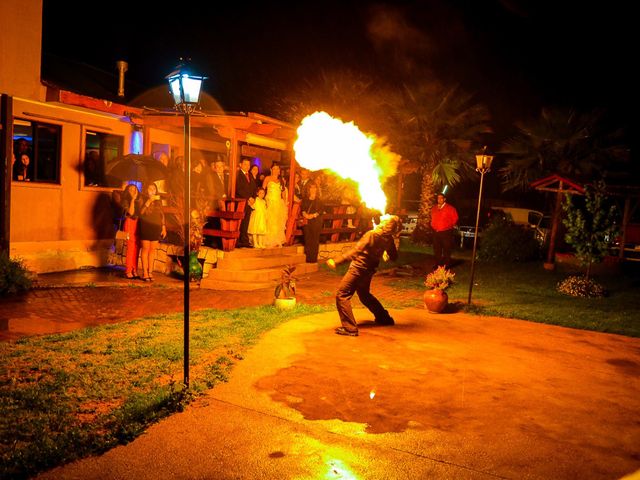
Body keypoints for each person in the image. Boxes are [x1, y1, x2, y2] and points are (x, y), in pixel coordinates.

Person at [326, 215, 402, 336]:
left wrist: (337, 261)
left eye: (387, 216)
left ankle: (350, 328)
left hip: (358, 268)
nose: (385, 214)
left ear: (385, 223)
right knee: (365, 295)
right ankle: (384, 318)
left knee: (342, 295)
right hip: (369, 269)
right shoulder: (388, 238)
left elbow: (356, 250)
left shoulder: (372, 234)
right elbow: (394, 256)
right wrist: (386, 253)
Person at [138, 182, 167, 282]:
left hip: (156, 227)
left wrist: (163, 227)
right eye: (150, 189)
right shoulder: (142, 199)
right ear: (146, 190)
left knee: (152, 250)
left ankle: (150, 272)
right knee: (145, 249)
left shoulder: (158, 201)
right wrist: (149, 201)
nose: (152, 191)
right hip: (145, 226)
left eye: (154, 189)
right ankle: (145, 272)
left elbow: (161, 214)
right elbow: (141, 213)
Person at [262, 163, 288, 248]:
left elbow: (283, 192)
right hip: (269, 201)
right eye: (274, 168)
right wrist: (263, 201)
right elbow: (263, 190)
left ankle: (277, 240)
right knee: (269, 221)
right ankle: (268, 240)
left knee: (278, 222)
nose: (276, 170)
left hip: (278, 202)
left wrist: (285, 202)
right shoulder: (267, 178)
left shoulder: (281, 180)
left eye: (277, 169)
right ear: (271, 169)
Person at [430, 193, 459, 268]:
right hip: (436, 232)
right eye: (438, 198)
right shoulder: (434, 208)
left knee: (446, 248)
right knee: (437, 249)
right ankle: (438, 264)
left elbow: (455, 218)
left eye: (441, 198)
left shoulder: (450, 208)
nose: (439, 200)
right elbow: (432, 217)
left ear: (444, 199)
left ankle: (447, 264)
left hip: (446, 232)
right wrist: (433, 225)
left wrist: (449, 226)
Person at [121, 184, 141, 279]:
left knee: (137, 247)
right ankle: (128, 270)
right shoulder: (126, 200)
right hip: (129, 223)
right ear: (127, 191)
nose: (133, 190)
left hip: (137, 224)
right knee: (131, 247)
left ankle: (134, 269)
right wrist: (132, 200)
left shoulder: (139, 200)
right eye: (130, 189)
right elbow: (131, 213)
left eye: (134, 189)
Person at [236, 158, 257, 247]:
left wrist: (253, 198)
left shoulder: (250, 175)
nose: (247, 166)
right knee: (240, 221)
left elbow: (254, 188)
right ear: (241, 164)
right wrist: (248, 198)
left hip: (249, 202)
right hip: (241, 201)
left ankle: (244, 240)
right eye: (245, 164)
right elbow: (238, 188)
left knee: (246, 222)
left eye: (248, 165)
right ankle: (238, 240)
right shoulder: (238, 174)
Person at [300, 182, 323, 263]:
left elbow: (320, 210)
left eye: (314, 187)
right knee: (308, 240)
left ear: (317, 189)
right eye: (311, 187)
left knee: (315, 240)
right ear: (308, 189)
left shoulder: (319, 200)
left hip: (316, 221)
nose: (313, 189)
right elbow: (302, 209)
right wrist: (306, 215)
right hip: (307, 222)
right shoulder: (305, 199)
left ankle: (313, 259)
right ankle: (308, 259)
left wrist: (312, 215)